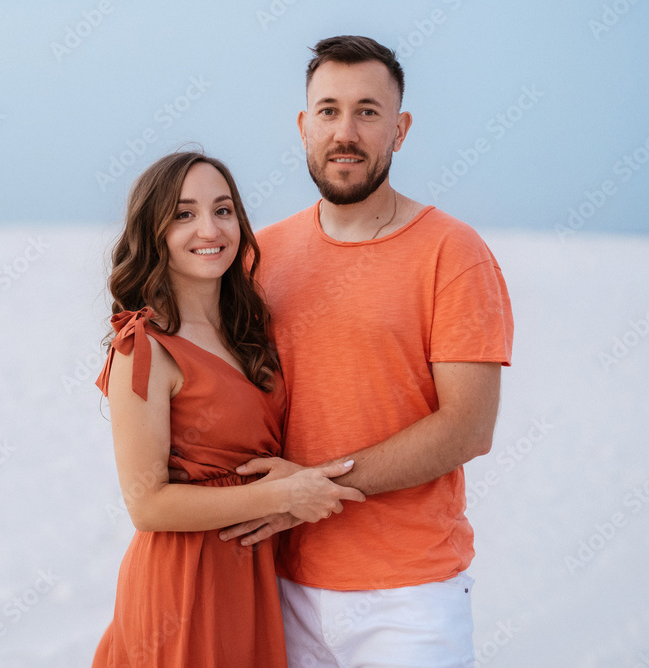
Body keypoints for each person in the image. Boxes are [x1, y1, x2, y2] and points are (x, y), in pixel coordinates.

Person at [217, 36, 515, 667]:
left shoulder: (452, 254)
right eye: (327, 111)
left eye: (367, 111)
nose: (344, 131)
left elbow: (469, 426)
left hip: (410, 597)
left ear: (400, 130)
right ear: (303, 126)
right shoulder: (259, 257)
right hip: (282, 584)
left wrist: (313, 484)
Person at [91, 150, 365, 667]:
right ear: (155, 231)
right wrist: (283, 493)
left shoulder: (248, 332)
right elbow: (146, 504)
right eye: (184, 214)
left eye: (223, 210)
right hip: (185, 582)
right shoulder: (144, 346)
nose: (209, 229)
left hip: (256, 579)